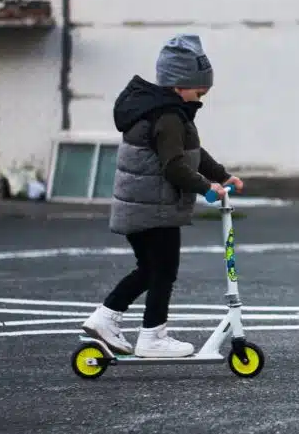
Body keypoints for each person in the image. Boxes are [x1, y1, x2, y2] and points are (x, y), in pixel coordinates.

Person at [81, 34, 244, 358]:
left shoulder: (166, 112)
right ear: (179, 84)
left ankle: (106, 319)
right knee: (161, 270)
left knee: (151, 269)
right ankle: (151, 336)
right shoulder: (167, 117)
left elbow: (192, 153)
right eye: (200, 90)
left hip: (146, 207)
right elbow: (174, 167)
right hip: (152, 210)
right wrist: (206, 188)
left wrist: (221, 175)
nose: (203, 97)